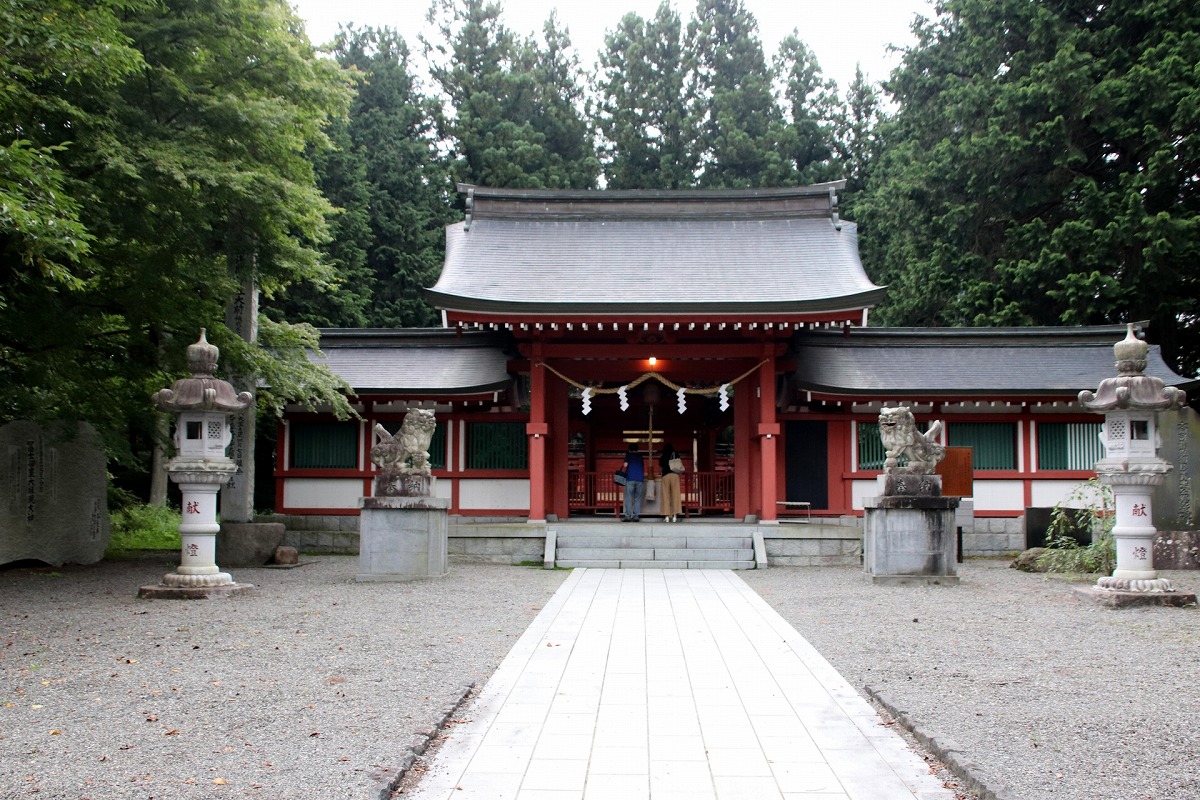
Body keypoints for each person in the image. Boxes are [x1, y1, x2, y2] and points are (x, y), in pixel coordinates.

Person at [658, 443, 683, 522]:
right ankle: (675, 516)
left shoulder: (663, 456)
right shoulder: (675, 454)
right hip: (675, 475)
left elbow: (660, 468)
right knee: (675, 495)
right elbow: (680, 465)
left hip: (666, 476)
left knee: (666, 495)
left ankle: (667, 517)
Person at [620, 444, 645, 521]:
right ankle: (636, 516)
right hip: (639, 478)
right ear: (637, 449)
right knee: (637, 498)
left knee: (628, 497)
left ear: (629, 449)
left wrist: (626, 458)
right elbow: (642, 466)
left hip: (630, 478)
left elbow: (625, 465)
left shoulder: (629, 455)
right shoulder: (640, 456)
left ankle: (627, 516)